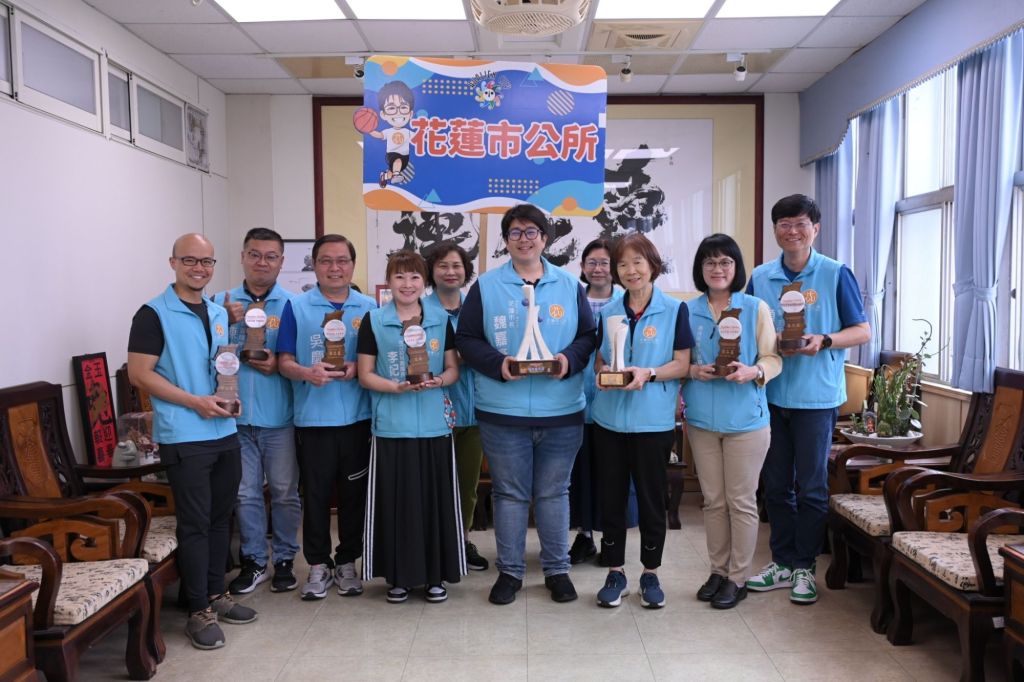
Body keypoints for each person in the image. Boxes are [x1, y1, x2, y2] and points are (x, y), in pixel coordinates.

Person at [456, 203, 597, 605]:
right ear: (506, 240)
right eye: (515, 232)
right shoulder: (486, 286)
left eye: (531, 231)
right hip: (503, 411)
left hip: (562, 410)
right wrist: (499, 365)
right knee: (510, 494)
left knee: (554, 493)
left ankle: (557, 571)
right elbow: (466, 339)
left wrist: (567, 360)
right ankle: (510, 573)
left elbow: (589, 336)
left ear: (544, 239)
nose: (524, 239)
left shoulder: (569, 285)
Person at [127, 233, 256, 650]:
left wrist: (227, 398)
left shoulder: (218, 312)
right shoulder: (152, 314)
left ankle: (216, 594)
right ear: (173, 263)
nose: (199, 268)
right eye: (190, 260)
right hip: (185, 434)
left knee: (221, 518)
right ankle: (197, 608)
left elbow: (220, 366)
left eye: (206, 262)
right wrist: (195, 402)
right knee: (196, 523)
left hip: (224, 430)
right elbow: (139, 374)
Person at [745, 194, 869, 604]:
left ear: (816, 228)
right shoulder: (760, 277)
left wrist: (825, 340)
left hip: (816, 398)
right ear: (775, 230)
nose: (792, 231)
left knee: (812, 486)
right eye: (784, 224)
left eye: (800, 223)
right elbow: (745, 328)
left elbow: (862, 331)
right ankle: (782, 562)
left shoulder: (835, 273)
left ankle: (804, 567)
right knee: (776, 485)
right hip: (770, 395)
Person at [590, 233, 692, 609]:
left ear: (652, 265)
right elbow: (601, 360)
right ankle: (615, 572)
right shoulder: (608, 312)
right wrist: (603, 373)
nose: (630, 270)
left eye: (637, 262)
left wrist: (648, 373)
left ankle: (650, 573)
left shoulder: (675, 310)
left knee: (651, 500)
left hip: (653, 423)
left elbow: (682, 364)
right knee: (611, 500)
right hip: (609, 422)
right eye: (622, 264)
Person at [358, 250, 465, 602]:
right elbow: (365, 374)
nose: (407, 284)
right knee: (397, 505)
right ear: (388, 282)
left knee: (435, 504)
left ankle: (436, 577)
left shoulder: (440, 320)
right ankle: (399, 578)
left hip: (435, 426)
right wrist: (396, 387)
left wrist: (439, 381)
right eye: (400, 276)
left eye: (415, 276)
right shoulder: (374, 321)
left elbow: (453, 369)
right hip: (391, 427)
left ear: (424, 282)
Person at [683, 234, 782, 609]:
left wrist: (754, 370)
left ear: (736, 267)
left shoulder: (755, 308)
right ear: (701, 269)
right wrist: (693, 371)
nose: (717, 268)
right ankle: (718, 571)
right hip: (702, 422)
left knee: (741, 502)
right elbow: (679, 361)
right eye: (709, 262)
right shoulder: (687, 311)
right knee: (713, 501)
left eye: (725, 261)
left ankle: (738, 577)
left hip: (746, 422)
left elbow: (773, 358)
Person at [277, 233, 377, 600]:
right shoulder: (297, 307)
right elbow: (284, 361)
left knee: (353, 496)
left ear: (352, 265)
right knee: (316, 497)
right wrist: (307, 372)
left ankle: (347, 560)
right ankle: (318, 564)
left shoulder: (370, 308)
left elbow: (381, 359)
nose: (334, 268)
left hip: (357, 420)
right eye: (326, 261)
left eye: (342, 261)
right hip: (313, 421)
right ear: (314, 265)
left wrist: (358, 368)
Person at [212, 227, 300, 595]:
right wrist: (222, 321)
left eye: (270, 256)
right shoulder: (219, 304)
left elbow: (298, 358)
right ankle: (254, 561)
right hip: (231, 418)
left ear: (281, 261)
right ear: (243, 257)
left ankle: (284, 559)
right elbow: (203, 353)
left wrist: (279, 364)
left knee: (284, 492)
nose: (262, 262)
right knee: (245, 493)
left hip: (279, 417)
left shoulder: (293, 305)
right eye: (255, 254)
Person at [567, 239, 638, 564]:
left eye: (605, 262)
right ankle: (584, 536)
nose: (598, 269)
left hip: (616, 403)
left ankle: (612, 537)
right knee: (580, 474)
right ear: (582, 267)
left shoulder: (627, 303)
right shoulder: (571, 300)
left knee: (613, 475)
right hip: (575, 400)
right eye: (591, 262)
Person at [423, 242, 489, 571]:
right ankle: (430, 544)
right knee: (430, 483)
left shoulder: (479, 309)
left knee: (467, 484)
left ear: (466, 271)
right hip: (430, 412)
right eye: (443, 266)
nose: (450, 272)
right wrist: (459, 357)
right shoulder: (418, 310)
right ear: (431, 271)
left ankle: (461, 540)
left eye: (457, 266)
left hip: (474, 410)